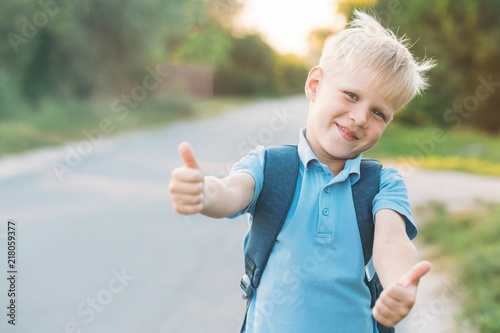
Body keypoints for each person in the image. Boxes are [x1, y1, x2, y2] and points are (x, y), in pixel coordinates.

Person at [169, 10, 435, 333]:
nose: (361, 117)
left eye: (378, 112)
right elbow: (230, 193)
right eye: (351, 95)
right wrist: (203, 192)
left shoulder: (382, 184)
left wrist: (400, 283)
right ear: (315, 84)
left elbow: (392, 242)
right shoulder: (270, 166)